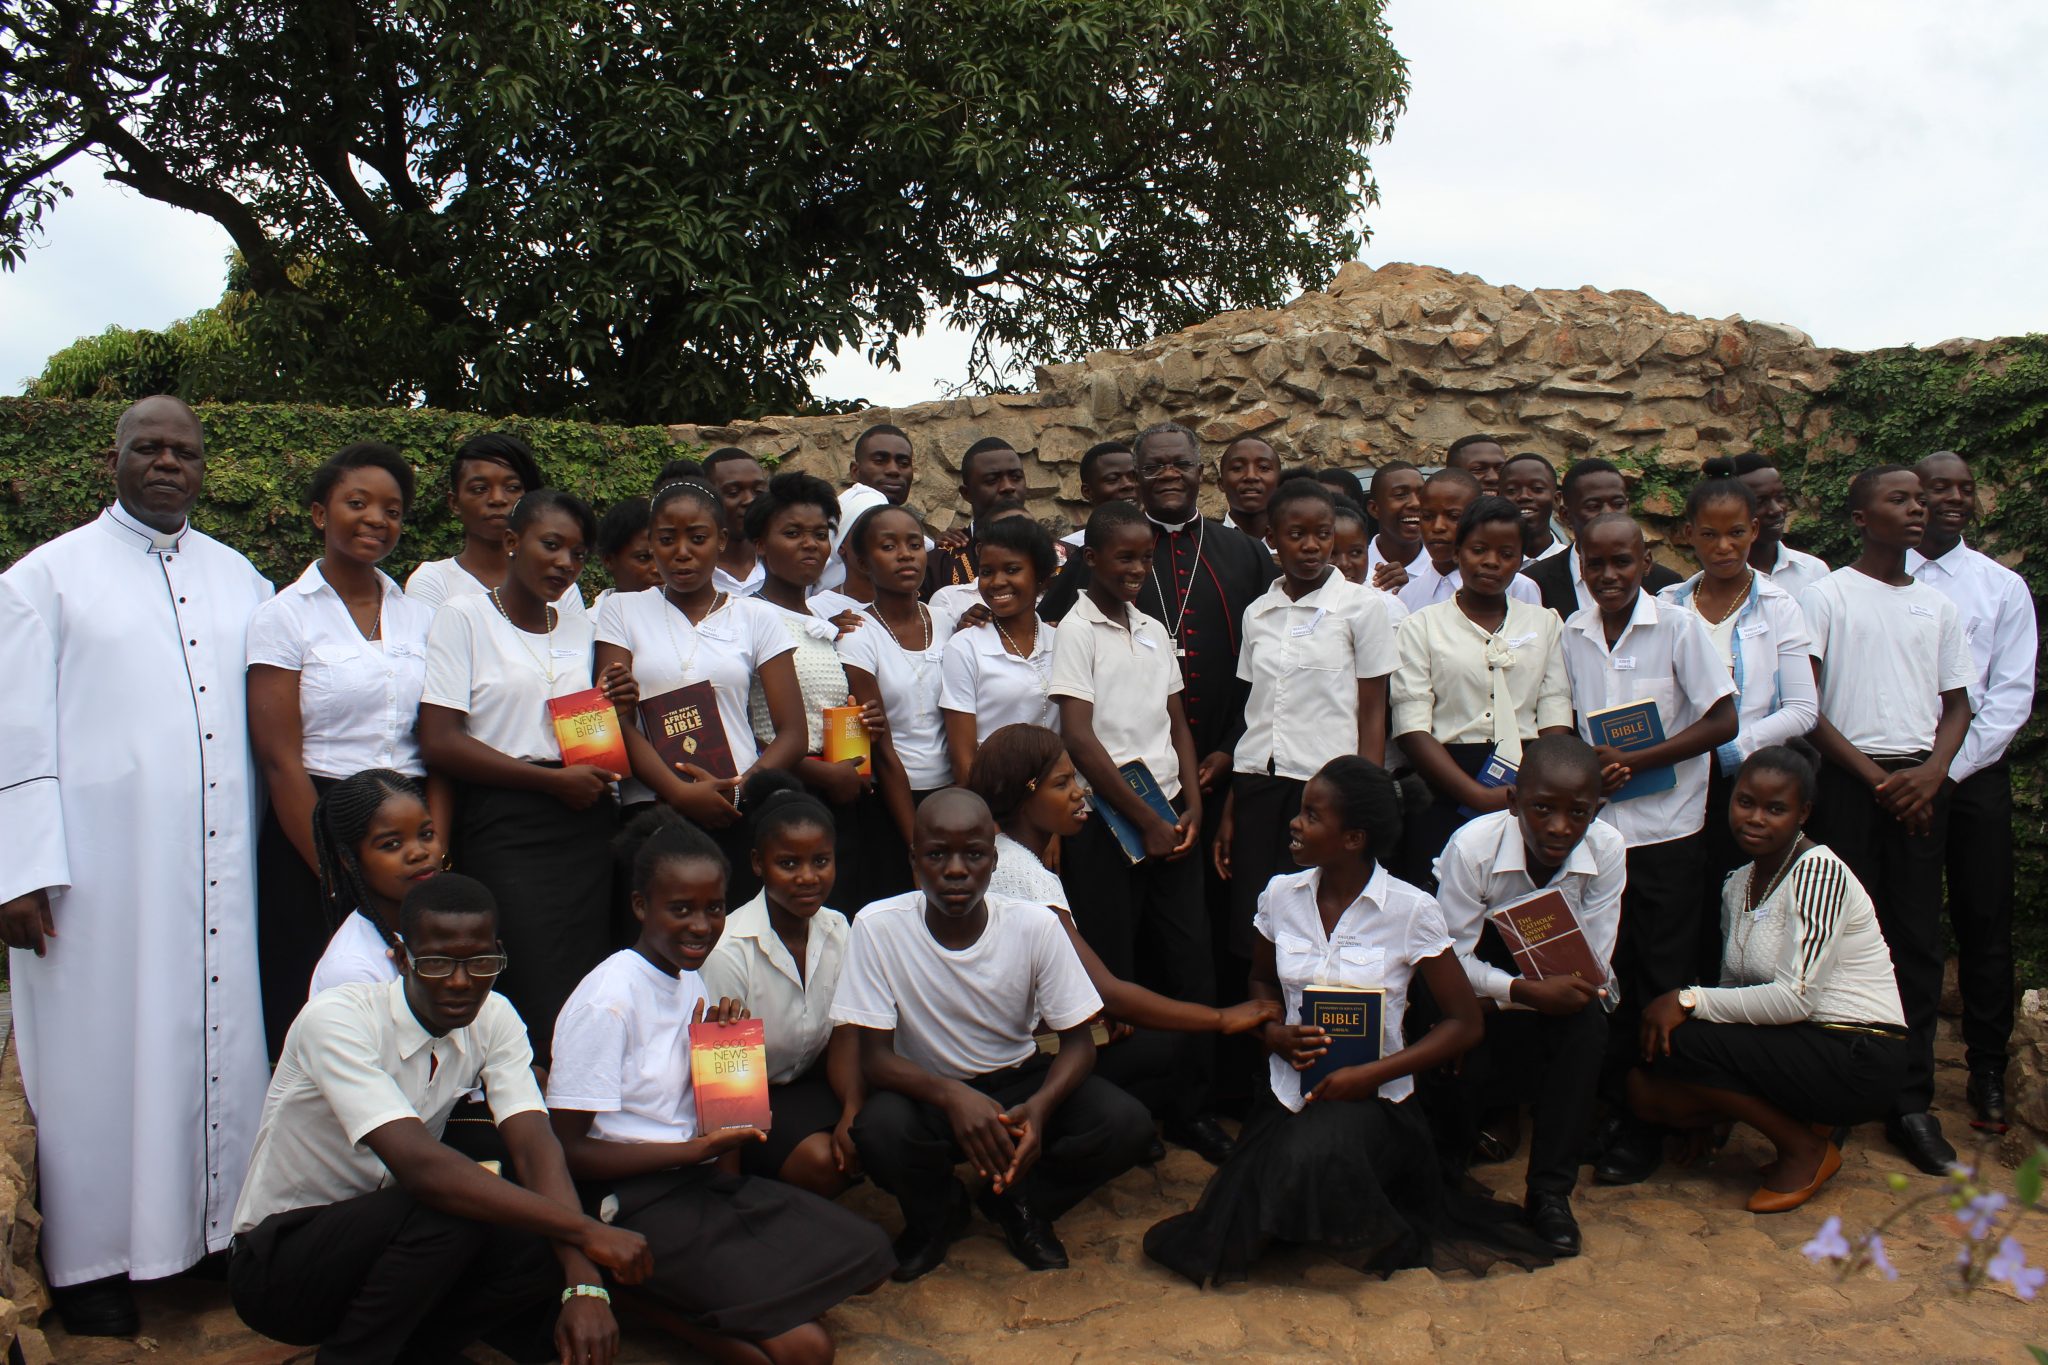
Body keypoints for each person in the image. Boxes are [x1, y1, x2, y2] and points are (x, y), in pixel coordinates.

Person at [0, 396, 272, 1334]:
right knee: (97, 1056)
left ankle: (207, 1238)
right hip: (97, 877)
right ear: (110, 460)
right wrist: (18, 867)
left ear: (203, 467)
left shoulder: (241, 577)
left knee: (218, 1043)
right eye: (148, 448)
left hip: (217, 869)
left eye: (184, 451)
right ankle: (90, 1264)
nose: (167, 463)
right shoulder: (45, 579)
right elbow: (13, 732)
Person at [229, 874, 648, 1365]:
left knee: (542, 1232)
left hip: (386, 1259)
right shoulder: (337, 1020)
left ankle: (412, 1352)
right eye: (436, 962)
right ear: (402, 957)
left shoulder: (495, 1017)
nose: (459, 980)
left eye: (481, 962)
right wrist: (587, 1234)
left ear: (498, 953)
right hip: (281, 1266)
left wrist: (584, 1283)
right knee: (452, 1203)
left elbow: (536, 1147)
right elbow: (422, 1169)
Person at [548, 809, 893, 1360]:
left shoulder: (687, 981)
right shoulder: (608, 999)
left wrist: (726, 1062)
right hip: (635, 1200)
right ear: (641, 906)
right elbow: (565, 1149)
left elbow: (711, 1116)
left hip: (700, 1181)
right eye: (680, 910)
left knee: (869, 1256)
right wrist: (693, 1151)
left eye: (713, 909)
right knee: (808, 1349)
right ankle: (644, 1301)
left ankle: (729, 1294)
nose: (702, 925)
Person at [1143, 757, 1487, 1286]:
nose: (1294, 824)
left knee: (1304, 1163)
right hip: (1290, 1093)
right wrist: (1273, 1032)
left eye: (1311, 816)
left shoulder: (1411, 910)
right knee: (1227, 1227)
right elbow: (1259, 983)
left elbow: (1464, 1024)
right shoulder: (1282, 895)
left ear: (1352, 839)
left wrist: (1373, 1073)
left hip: (1375, 1102)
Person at [832, 790, 1155, 1280]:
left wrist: (1042, 1109)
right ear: (914, 858)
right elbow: (874, 1059)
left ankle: (1021, 1203)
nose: (956, 869)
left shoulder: (1034, 926)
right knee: (879, 1129)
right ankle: (937, 1215)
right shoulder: (878, 927)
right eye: (937, 854)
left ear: (994, 859)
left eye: (974, 854)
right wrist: (952, 1096)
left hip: (1018, 1082)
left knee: (1125, 1124)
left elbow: (1079, 1043)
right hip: (929, 1091)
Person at [968, 723, 1281, 1157]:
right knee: (1158, 1065)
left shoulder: (1009, 857)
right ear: (1024, 797)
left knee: (1159, 1047)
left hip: (1022, 1038)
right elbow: (1108, 990)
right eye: (1063, 784)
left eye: (1076, 779)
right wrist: (1222, 1019)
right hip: (1010, 1062)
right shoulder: (1025, 876)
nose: (1080, 793)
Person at [1629, 747, 1908, 1213]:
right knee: (1647, 1089)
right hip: (1795, 1044)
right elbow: (1734, 988)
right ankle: (1774, 1124)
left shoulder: (1819, 871)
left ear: (1803, 814)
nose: (1756, 818)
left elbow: (1794, 999)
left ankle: (1806, 1150)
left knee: (1684, 1037)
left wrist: (1687, 1000)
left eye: (1775, 809)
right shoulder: (1738, 882)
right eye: (1745, 803)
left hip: (1859, 1052)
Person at [1801, 465, 1976, 1174]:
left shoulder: (1937, 606)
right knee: (1838, 937)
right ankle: (1835, 1095)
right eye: (1899, 499)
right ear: (1860, 518)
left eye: (1920, 499)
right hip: (1851, 782)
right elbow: (1810, 706)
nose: (1918, 508)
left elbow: (1958, 704)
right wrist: (1877, 780)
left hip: (1919, 786)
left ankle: (1910, 1101)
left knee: (1916, 940)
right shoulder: (1827, 596)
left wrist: (1930, 773)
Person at [418, 489, 629, 1065]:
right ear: (512, 542)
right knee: (527, 974)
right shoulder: (463, 617)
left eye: (579, 555)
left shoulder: (577, 624)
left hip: (584, 821)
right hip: (506, 822)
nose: (565, 563)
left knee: (582, 975)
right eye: (552, 545)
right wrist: (548, 782)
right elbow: (439, 739)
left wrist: (619, 702)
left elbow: (589, 722)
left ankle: (575, 1111)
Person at [246, 442, 443, 1059]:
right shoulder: (282, 617)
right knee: (316, 1005)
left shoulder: (423, 618)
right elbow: (280, 758)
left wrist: (434, 843)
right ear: (318, 514)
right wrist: (339, 874)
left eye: (391, 509)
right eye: (357, 503)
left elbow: (437, 741)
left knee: (413, 1003)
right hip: (317, 820)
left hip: (409, 822)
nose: (376, 520)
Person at [1559, 512, 1737, 1185]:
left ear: (1646, 558)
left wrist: (1640, 755)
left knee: (1663, 974)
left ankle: (1647, 1124)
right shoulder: (1572, 633)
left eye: (1621, 563)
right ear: (1580, 561)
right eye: (1595, 563)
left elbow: (1724, 718)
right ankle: (1608, 1108)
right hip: (1600, 838)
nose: (1608, 576)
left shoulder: (1680, 625)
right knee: (1607, 973)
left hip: (1667, 833)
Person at [1432, 735, 1622, 1255]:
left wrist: (1552, 993)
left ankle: (1550, 1193)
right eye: (1542, 809)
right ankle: (1447, 1159)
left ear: (1596, 810)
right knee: (1445, 1024)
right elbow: (1451, 961)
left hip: (1556, 988)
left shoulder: (1607, 849)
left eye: (1577, 813)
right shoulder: (1473, 847)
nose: (1560, 827)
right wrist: (1521, 992)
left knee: (1588, 1029)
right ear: (1514, 801)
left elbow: (1596, 967)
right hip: (1481, 986)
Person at [1040, 422, 1278, 809]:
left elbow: (1272, 660)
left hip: (1232, 758)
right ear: (1136, 478)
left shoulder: (1245, 552)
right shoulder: (1100, 553)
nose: (1169, 474)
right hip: (1132, 774)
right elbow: (1041, 631)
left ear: (1200, 474)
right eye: (1154, 467)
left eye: (1181, 463)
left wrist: (1233, 746)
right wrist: (984, 617)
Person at [595, 477, 807, 905]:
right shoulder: (621, 609)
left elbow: (793, 733)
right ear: (652, 543)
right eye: (667, 539)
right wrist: (678, 793)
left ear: (722, 540)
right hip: (652, 806)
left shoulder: (756, 618)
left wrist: (739, 789)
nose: (682, 552)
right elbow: (611, 716)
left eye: (697, 537)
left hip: (735, 804)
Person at [1908, 450, 2038, 1133]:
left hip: (1973, 777)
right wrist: (1914, 775)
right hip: (1897, 781)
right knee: (1909, 924)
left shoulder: (2001, 587)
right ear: (1912, 496)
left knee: (1984, 924)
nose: (1954, 498)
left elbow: (2011, 696)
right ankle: (1907, 1072)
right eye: (1939, 488)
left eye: (1964, 486)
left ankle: (1986, 1065)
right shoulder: (1883, 577)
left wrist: (1945, 772)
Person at [1217, 479, 1399, 957]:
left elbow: (1374, 708)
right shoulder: (1258, 613)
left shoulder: (1361, 608)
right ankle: (1260, 1017)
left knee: (1320, 915)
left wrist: (1365, 796)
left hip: (1327, 791)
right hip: (1259, 785)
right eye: (1297, 534)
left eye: (1322, 534)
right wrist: (1233, 808)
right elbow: (1254, 712)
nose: (1312, 545)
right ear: (1272, 538)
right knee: (1255, 917)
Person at [1657, 466, 1818, 922]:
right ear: (1689, 533)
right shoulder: (1668, 605)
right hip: (1674, 777)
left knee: (1740, 896)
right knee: (1684, 898)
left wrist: (1730, 749)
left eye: (1736, 533)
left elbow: (1803, 709)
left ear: (1754, 530)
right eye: (1709, 534)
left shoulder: (1778, 606)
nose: (1723, 546)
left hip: (1745, 780)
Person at [699, 772, 869, 1198]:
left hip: (815, 1081)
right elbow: (726, 1079)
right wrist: (729, 1191)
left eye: (821, 861)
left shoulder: (838, 928)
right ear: (758, 863)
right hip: (755, 1098)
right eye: (788, 863)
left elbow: (847, 1034)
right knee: (823, 1165)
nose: (807, 877)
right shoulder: (730, 950)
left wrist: (852, 1111)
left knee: (880, 1133)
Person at [1391, 496, 1574, 884]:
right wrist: (1475, 795)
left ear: (1521, 560)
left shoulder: (1545, 624)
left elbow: (1555, 712)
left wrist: (1533, 788)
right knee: (1442, 894)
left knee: (1519, 895)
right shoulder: (1422, 626)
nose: (1491, 562)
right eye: (1478, 550)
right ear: (1458, 552)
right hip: (1445, 780)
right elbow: (1412, 725)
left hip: (1529, 779)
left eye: (1506, 554)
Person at [838, 504, 958, 903]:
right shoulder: (859, 635)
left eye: (913, 544)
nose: (905, 555)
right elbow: (881, 746)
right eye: (888, 546)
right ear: (863, 562)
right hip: (891, 805)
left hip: (951, 796)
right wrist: (916, 844)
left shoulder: (946, 621)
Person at [405, 431, 586, 617]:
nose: (497, 499)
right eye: (480, 489)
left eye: (513, 488)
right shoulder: (434, 581)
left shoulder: (561, 586)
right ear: (455, 503)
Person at [939, 514, 1061, 781]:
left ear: (1040, 577)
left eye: (1012, 570)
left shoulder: (1061, 641)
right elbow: (963, 758)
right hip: (996, 797)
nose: (996, 582)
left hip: (1055, 797)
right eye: (986, 572)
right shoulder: (965, 647)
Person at [305, 769, 443, 999]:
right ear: (348, 860)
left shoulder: (444, 927)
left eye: (426, 834)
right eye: (392, 844)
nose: (419, 853)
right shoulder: (351, 970)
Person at [1520, 457, 1681, 615]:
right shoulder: (1534, 584)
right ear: (1565, 515)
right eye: (1593, 506)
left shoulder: (1665, 583)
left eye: (1618, 505)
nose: (1608, 514)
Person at [1401, 469, 1545, 612]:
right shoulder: (1408, 594)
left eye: (1454, 517)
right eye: (1427, 516)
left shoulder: (1518, 587)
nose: (1438, 527)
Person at [925, 437, 1028, 594]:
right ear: (966, 493)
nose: (1008, 487)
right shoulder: (938, 563)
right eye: (992, 480)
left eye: (1016, 477)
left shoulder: (1061, 555)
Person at [821, 424, 916, 592]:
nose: (893, 470)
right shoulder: (865, 502)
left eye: (903, 463)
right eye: (880, 461)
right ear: (855, 471)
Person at [1732, 453, 1831, 599]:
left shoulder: (1814, 571)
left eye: (1780, 498)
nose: (1777, 509)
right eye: (1760, 502)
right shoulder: (1719, 582)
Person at [701, 447, 771, 598]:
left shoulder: (784, 568)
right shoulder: (693, 576)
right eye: (733, 492)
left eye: (758, 491)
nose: (749, 500)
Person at [1059, 440, 1140, 557]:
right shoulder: (1067, 551)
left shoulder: (1162, 541)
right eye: (1113, 479)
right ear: (1087, 492)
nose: (1128, 485)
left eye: (1134, 477)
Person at [1365, 460, 1426, 596]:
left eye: (1422, 494)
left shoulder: (1445, 568)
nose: (1416, 503)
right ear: (1374, 509)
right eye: (1400, 495)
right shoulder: (1355, 567)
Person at [592, 496, 662, 616]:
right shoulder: (586, 630)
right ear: (608, 560)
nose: (657, 569)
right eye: (643, 558)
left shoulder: (695, 621)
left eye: (662, 557)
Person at [1500, 453, 1568, 563]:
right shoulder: (1489, 565)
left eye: (1537, 488)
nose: (1524, 496)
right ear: (1499, 498)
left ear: (1556, 499)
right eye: (1511, 490)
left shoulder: (1571, 563)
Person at [1219, 436, 1283, 547]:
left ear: (1280, 482)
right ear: (1221, 483)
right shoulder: (1204, 545)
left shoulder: (1296, 551)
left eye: (1263, 468)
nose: (1251, 476)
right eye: (1237, 468)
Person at [1331, 500, 1374, 585]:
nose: (1344, 564)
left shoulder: (1384, 597)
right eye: (1331, 553)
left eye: (1355, 552)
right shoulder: (1301, 597)